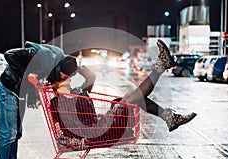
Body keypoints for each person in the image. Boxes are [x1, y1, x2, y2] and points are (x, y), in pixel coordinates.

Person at [0, 41, 96, 159]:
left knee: (16, 134)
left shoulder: (63, 61)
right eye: (63, 76)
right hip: (8, 89)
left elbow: (83, 73)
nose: (63, 79)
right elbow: (9, 55)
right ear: (59, 69)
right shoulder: (40, 56)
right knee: (8, 135)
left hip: (19, 93)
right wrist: (26, 76)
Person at [48, 39, 197, 142]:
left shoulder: (77, 92)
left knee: (132, 98)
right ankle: (162, 68)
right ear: (56, 84)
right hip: (95, 133)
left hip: (101, 125)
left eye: (68, 76)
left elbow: (91, 76)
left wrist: (75, 67)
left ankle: (169, 116)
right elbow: (67, 128)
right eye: (63, 78)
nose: (68, 78)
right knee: (132, 98)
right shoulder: (57, 102)